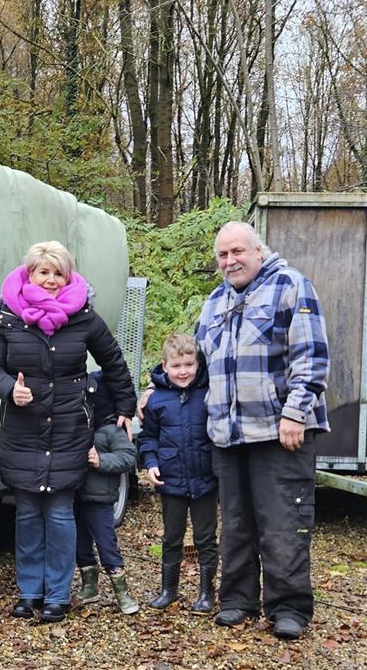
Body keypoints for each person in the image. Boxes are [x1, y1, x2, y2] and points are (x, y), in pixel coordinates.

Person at [138, 221, 328, 640]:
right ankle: (238, 600)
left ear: (258, 250)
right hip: (225, 435)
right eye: (223, 255)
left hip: (280, 433)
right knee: (237, 525)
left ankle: (288, 608)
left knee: (282, 522)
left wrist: (296, 413)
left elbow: (311, 357)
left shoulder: (291, 287)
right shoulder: (215, 301)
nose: (230, 261)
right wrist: (156, 387)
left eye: (238, 251)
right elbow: (193, 363)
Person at [0, 241, 136, 623]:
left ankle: (57, 595)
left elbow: (114, 362)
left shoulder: (83, 316)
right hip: (23, 430)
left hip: (68, 428)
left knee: (61, 513)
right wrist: (8, 389)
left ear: (68, 276)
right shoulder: (5, 318)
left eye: (58, 273)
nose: (50, 281)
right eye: (43, 272)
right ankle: (30, 592)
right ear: (29, 273)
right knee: (29, 513)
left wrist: (125, 408)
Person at [138, 333, 218, 615]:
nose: (183, 371)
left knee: (205, 538)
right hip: (170, 479)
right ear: (164, 366)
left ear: (197, 364)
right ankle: (168, 590)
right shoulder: (156, 400)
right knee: (172, 537)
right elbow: (148, 438)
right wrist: (150, 463)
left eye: (188, 364)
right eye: (176, 366)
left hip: (205, 479)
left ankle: (207, 593)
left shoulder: (209, 393)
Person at [74, 370, 139, 615]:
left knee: (107, 546)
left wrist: (100, 460)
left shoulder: (112, 431)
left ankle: (122, 593)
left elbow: (128, 457)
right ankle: (90, 586)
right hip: (76, 496)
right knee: (81, 545)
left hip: (100, 500)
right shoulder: (79, 429)